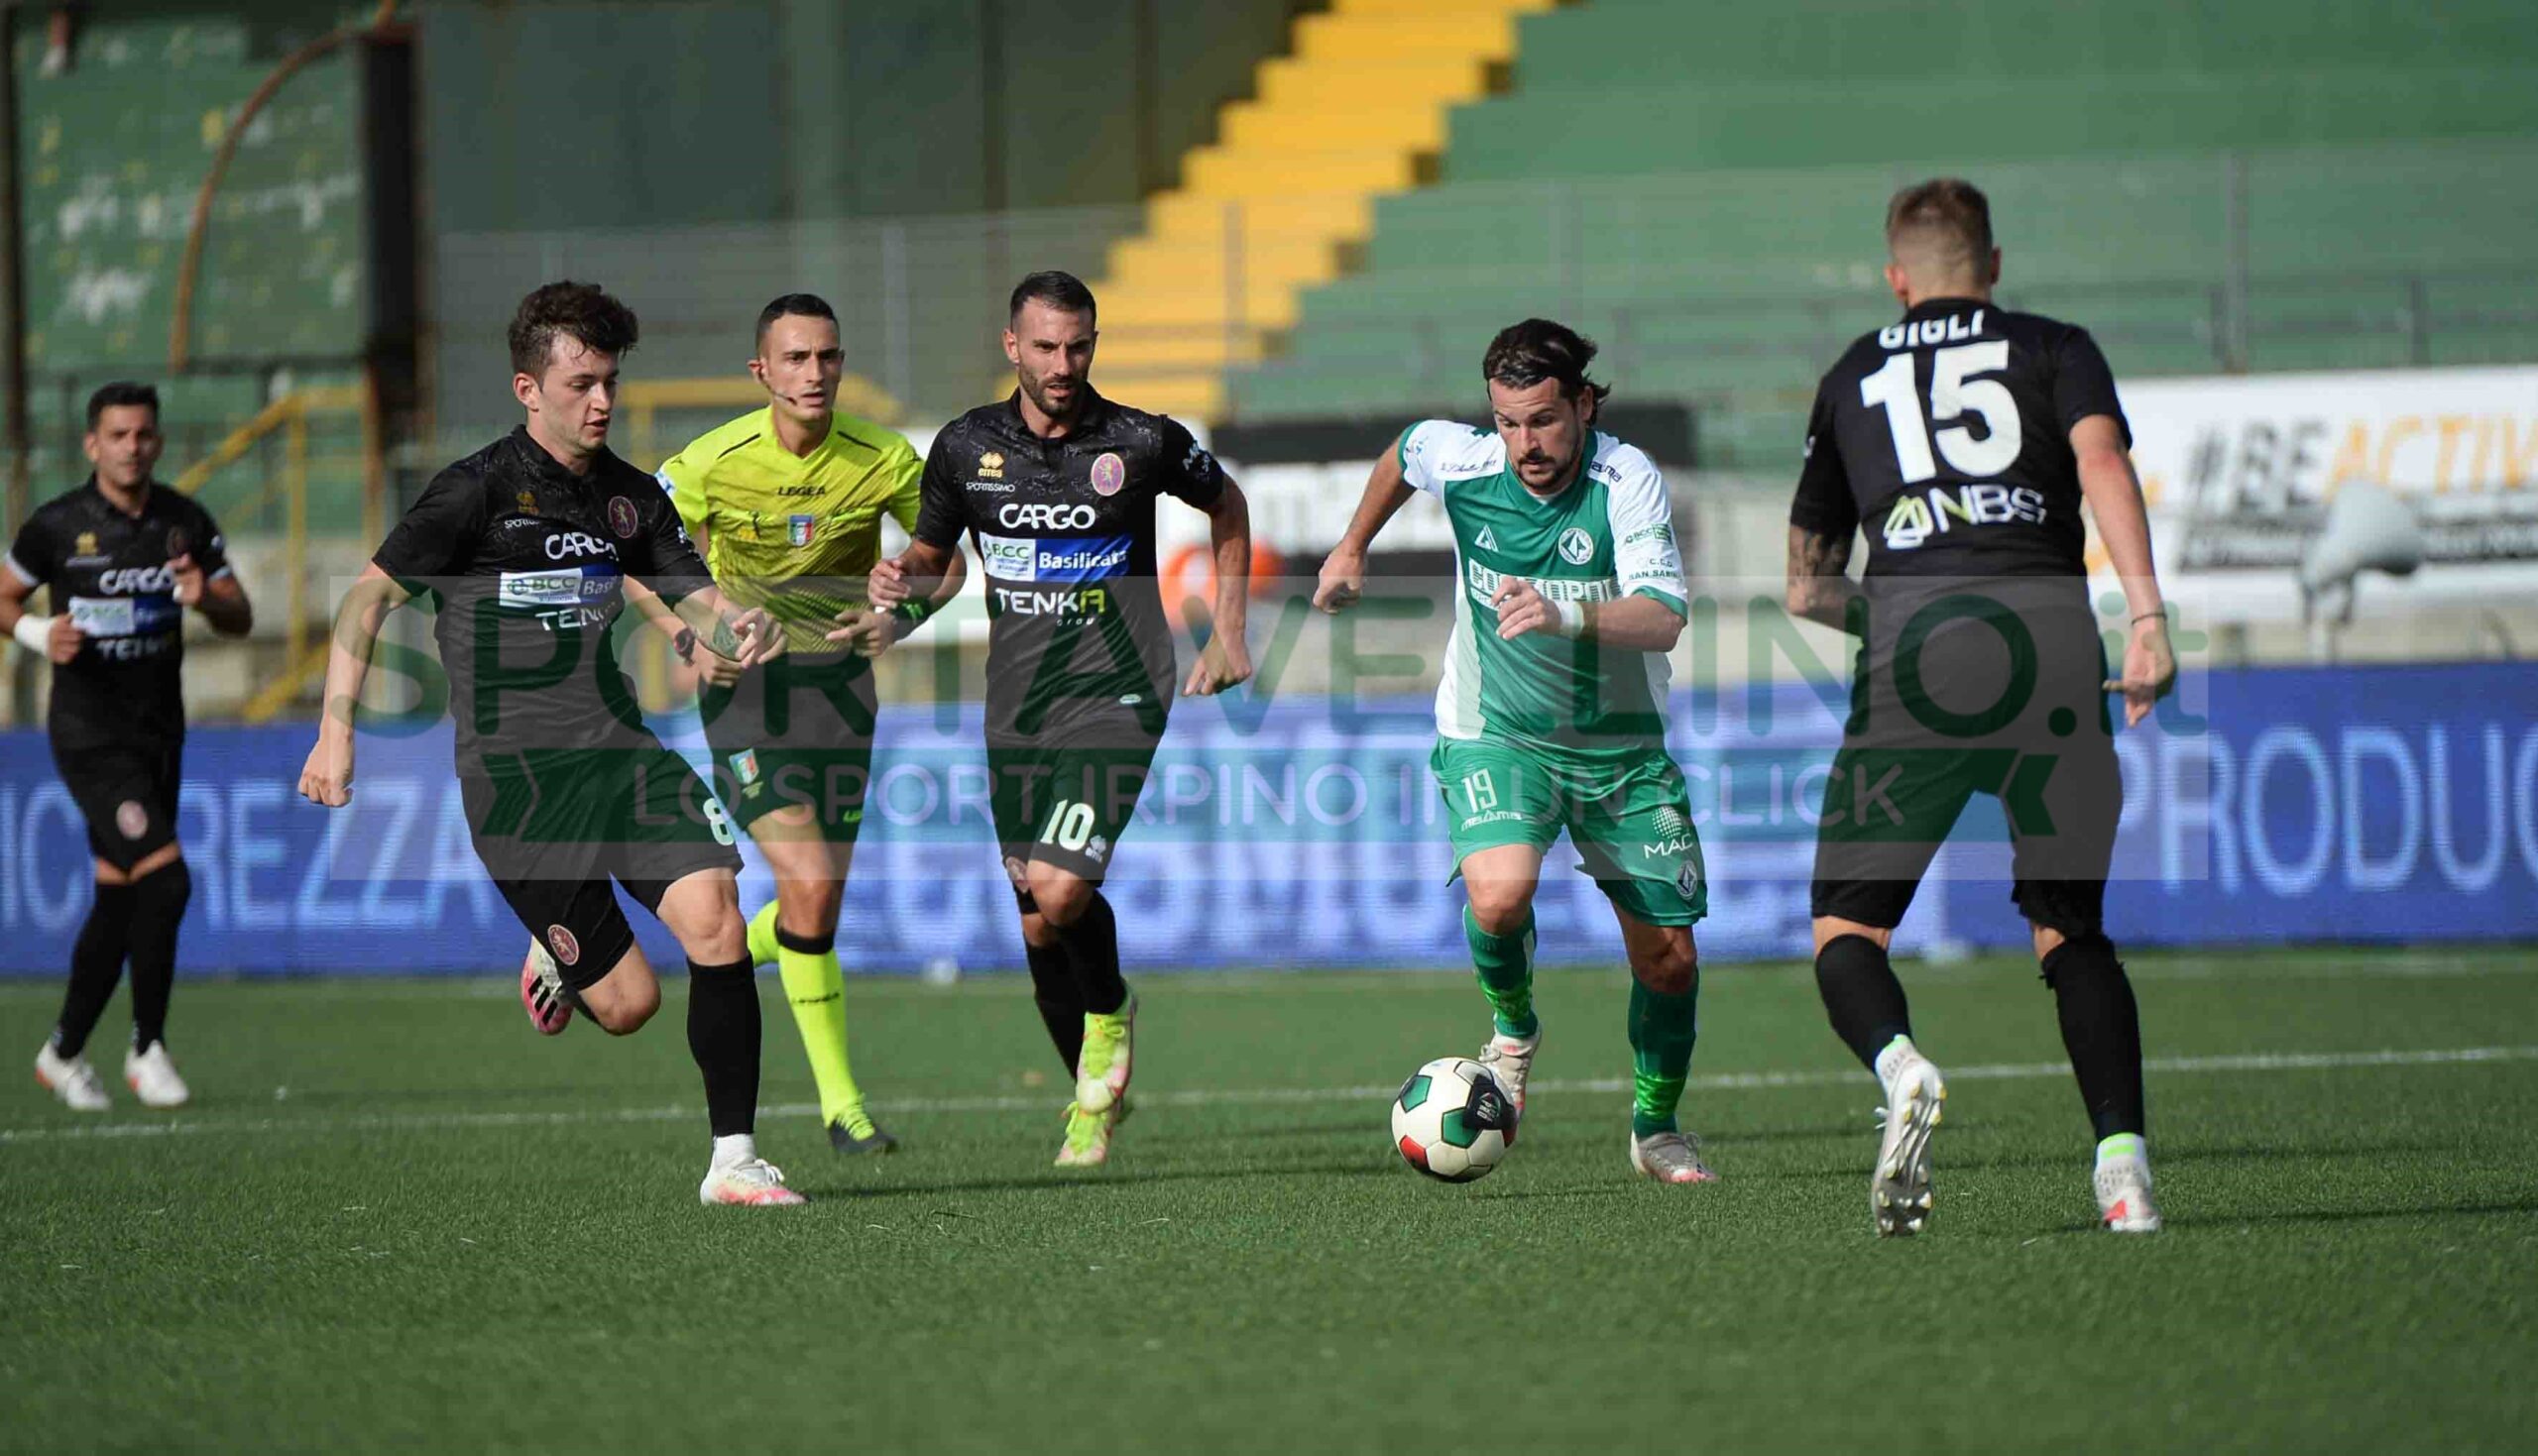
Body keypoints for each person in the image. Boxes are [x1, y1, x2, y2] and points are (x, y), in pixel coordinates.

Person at [297, 281, 804, 1206]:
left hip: (620, 754)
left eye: (610, 381)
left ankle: (734, 1159)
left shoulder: (630, 497)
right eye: (581, 384)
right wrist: (338, 732)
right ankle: (557, 958)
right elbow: (366, 600)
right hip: (518, 785)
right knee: (630, 1005)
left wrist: (740, 623)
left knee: (718, 917)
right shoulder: (475, 491)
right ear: (529, 389)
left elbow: (697, 597)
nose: (602, 401)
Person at [1785, 177, 2177, 1235]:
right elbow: (2102, 460)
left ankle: (1900, 1064)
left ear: (1895, 278)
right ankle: (2123, 1171)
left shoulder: (1852, 374)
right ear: (1992, 265)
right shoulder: (2055, 347)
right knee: (2070, 930)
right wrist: (2146, 617)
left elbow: (1807, 588)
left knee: (1847, 927)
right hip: (2051, 644)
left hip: (1913, 650)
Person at [850, 270, 1252, 1168]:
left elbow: (1227, 504)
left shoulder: (1141, 440)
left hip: (1119, 690)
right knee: (1036, 920)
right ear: (1012, 346)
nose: (1063, 364)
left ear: (1094, 344)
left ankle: (1110, 1009)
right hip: (1017, 705)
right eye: (1045, 347)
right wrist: (896, 596)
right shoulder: (965, 447)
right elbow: (933, 561)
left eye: (1077, 346)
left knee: (1063, 889)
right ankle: (1090, 1094)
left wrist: (1228, 632)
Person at [1314, 319, 1715, 1184]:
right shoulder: (1467, 460)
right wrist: (1352, 546)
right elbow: (1405, 452)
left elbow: (1664, 615)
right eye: (1507, 422)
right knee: (1498, 895)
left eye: (1543, 420)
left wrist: (1565, 612)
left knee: (1669, 957)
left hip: (1619, 751)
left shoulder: (1626, 480)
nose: (1525, 443)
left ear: (1584, 404)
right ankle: (1513, 1032)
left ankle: (1656, 1129)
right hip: (1496, 729)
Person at [653, 292, 942, 1156]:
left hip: (843, 695)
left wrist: (900, 617)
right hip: (747, 695)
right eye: (795, 358)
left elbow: (946, 563)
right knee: (809, 880)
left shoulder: (885, 458)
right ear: (762, 371)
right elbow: (640, 555)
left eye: (827, 356)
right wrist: (692, 637)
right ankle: (844, 1108)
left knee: (816, 907)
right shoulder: (710, 462)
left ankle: (719, 950)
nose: (814, 373)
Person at [4, 382, 252, 1111]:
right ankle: (148, 1049)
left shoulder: (184, 522)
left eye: (143, 434)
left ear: (158, 441)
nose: (132, 447)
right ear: (92, 444)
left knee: (120, 900)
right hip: (89, 735)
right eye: (117, 435)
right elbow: (3, 596)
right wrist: (36, 632)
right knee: (167, 882)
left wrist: (205, 596)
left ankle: (62, 1053)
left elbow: (239, 614)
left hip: (158, 734)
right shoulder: (57, 526)